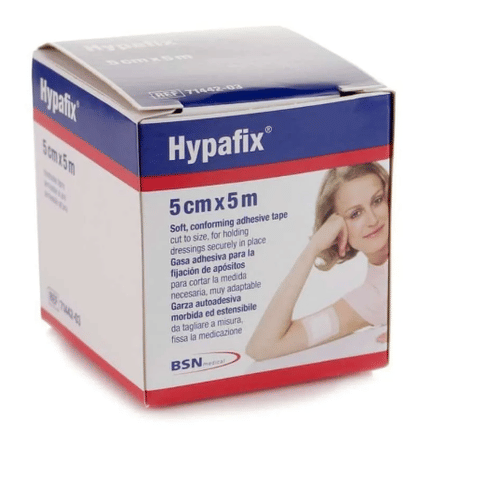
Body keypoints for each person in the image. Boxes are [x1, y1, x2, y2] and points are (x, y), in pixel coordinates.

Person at [246, 162, 390, 361]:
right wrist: (313, 248)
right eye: (355, 214)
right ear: (338, 231)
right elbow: (262, 347)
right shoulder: (372, 298)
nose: (373, 220)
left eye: (378, 200)